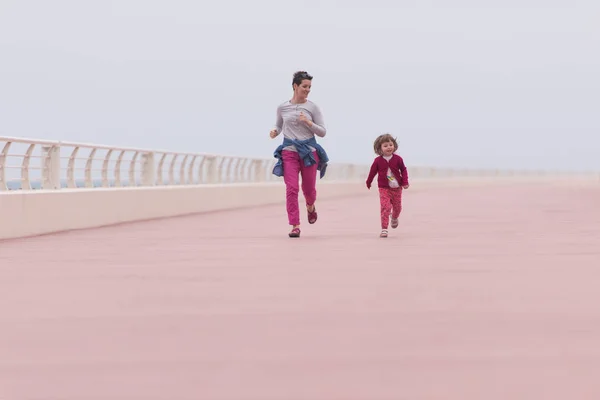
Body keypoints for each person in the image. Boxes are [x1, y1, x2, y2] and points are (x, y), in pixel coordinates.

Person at [270, 71, 329, 238]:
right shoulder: (282, 107)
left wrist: (308, 122)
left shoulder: (313, 107)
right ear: (295, 86)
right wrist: (275, 131)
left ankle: (310, 206)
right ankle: (295, 225)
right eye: (304, 86)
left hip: (309, 152)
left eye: (309, 87)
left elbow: (323, 132)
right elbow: (279, 126)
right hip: (289, 151)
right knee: (292, 188)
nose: (307, 90)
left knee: (309, 189)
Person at [365, 133, 410, 238]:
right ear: (379, 148)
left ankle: (394, 217)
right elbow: (372, 172)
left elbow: (403, 170)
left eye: (390, 145)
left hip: (397, 188)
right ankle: (384, 228)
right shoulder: (377, 161)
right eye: (385, 146)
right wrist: (369, 181)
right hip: (384, 188)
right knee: (385, 207)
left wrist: (405, 182)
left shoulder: (398, 159)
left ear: (394, 145)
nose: (389, 147)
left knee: (397, 208)